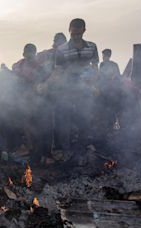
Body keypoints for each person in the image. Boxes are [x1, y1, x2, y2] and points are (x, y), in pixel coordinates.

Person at [53, 18, 99, 162]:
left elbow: (95, 67)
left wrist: (94, 83)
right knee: (65, 121)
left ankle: (82, 150)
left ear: (84, 31)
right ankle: (66, 151)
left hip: (85, 89)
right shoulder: (61, 50)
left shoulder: (92, 46)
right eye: (73, 34)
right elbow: (58, 71)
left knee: (84, 119)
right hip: (67, 90)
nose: (76, 37)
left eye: (79, 34)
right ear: (69, 31)